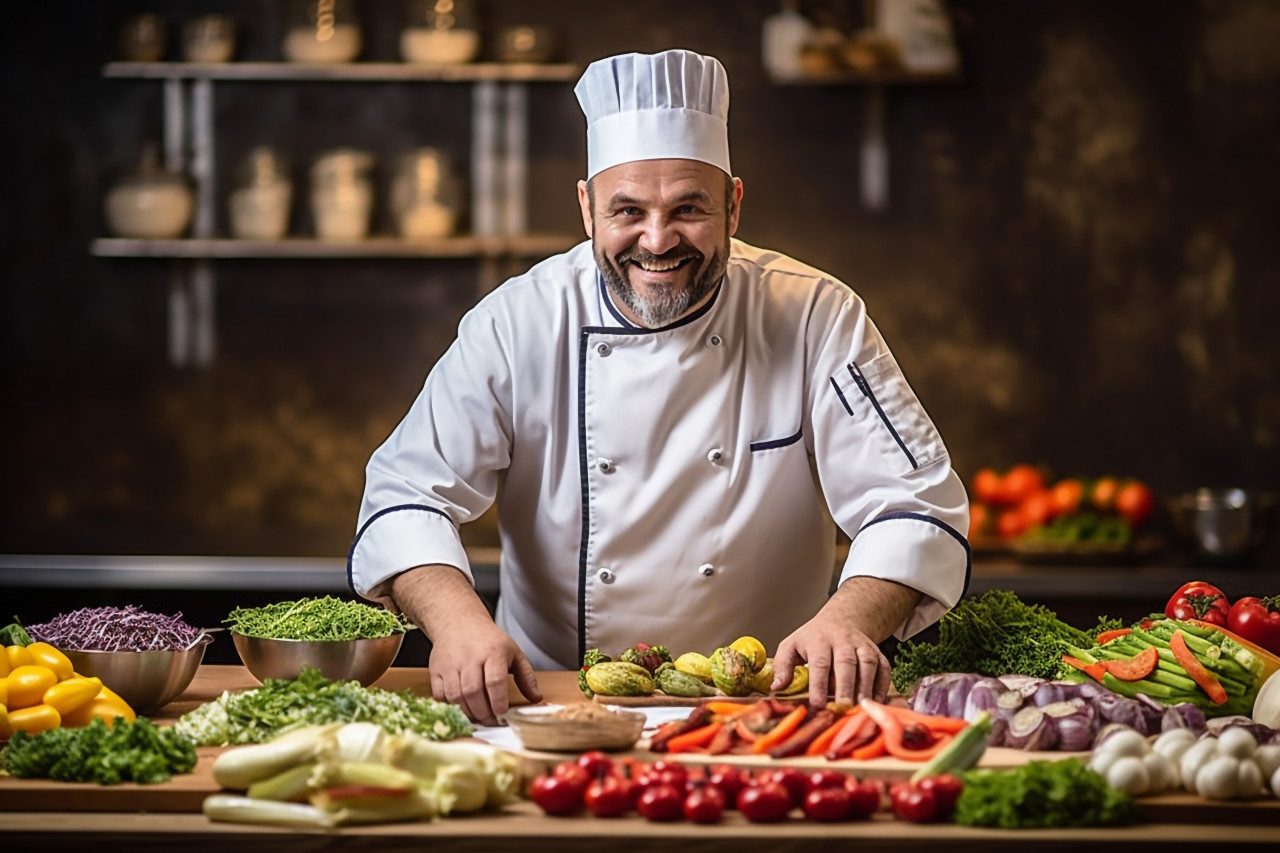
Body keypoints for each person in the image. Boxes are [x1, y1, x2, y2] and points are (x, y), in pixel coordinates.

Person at [349, 49, 970, 725]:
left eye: (687, 208)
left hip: (765, 712)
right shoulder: (518, 321)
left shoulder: (817, 315)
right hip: (549, 707)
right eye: (627, 210)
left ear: (733, 204)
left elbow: (915, 507)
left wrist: (847, 621)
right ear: (587, 210)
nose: (656, 240)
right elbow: (404, 496)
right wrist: (459, 625)